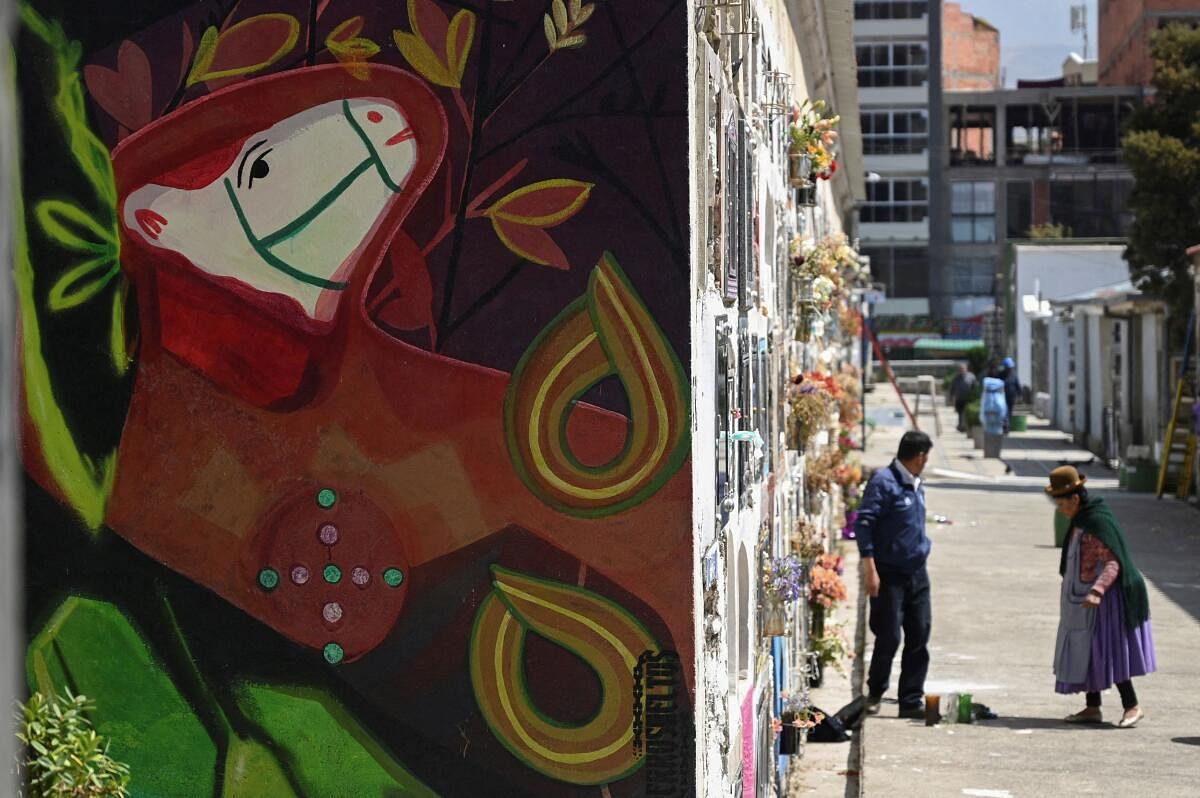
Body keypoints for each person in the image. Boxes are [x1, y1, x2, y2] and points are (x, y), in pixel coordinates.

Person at [1046, 466, 1156, 728]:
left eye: (1062, 504)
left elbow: (1113, 563)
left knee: (1110, 652)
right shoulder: (1080, 520)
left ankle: (1132, 705)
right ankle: (1092, 708)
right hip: (1083, 595)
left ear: (1074, 499)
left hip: (1108, 598)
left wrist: (1097, 591)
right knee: (1088, 651)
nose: (1060, 509)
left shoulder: (1096, 522)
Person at [855, 431, 934, 719]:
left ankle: (910, 699)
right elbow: (863, 525)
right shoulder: (883, 482)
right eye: (926, 457)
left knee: (920, 633)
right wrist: (870, 570)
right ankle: (875, 691)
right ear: (920, 456)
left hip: (917, 572)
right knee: (888, 636)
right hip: (889, 574)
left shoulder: (916, 483)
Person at [949, 363, 977, 433]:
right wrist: (951, 397)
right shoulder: (956, 378)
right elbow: (952, 388)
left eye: (963, 369)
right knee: (960, 413)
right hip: (959, 398)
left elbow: (975, 386)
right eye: (960, 369)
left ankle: (964, 426)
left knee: (965, 412)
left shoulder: (971, 376)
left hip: (968, 398)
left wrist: (974, 396)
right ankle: (961, 426)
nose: (961, 371)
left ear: (966, 369)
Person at [1001, 356, 1021, 431]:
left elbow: (1018, 386)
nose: (1009, 369)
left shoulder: (1014, 376)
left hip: (1011, 397)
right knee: (1003, 411)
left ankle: (1007, 426)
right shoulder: (1000, 375)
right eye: (1007, 368)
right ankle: (1004, 425)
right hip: (1002, 397)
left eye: (1010, 368)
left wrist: (1020, 395)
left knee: (1009, 411)